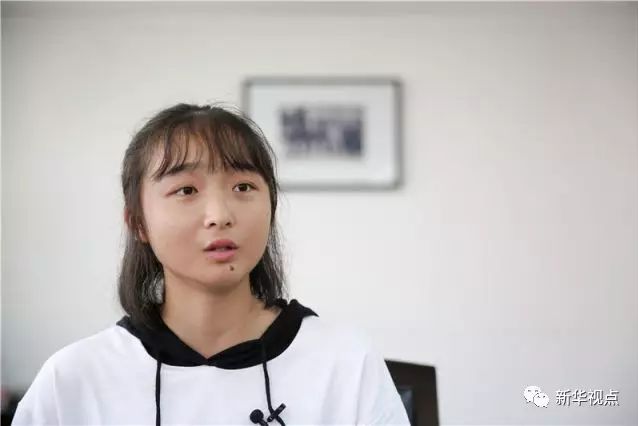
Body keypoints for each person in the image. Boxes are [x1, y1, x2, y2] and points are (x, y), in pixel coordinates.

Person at [12, 103, 410, 426]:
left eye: (243, 187)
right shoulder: (73, 379)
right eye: (186, 190)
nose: (220, 215)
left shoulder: (345, 363)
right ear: (138, 223)